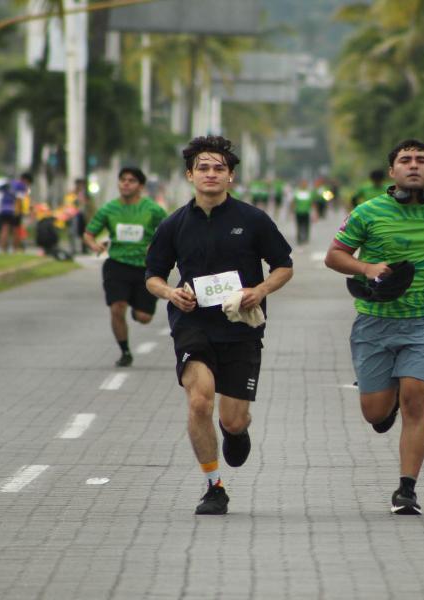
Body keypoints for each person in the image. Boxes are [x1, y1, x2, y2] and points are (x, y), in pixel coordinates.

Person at [145, 135, 293, 516]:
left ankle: (237, 430)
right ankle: (213, 486)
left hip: (242, 325)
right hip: (193, 323)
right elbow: (154, 275)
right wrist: (170, 293)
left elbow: (284, 266)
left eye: (219, 168)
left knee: (231, 416)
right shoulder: (174, 223)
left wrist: (259, 290)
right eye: (203, 168)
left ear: (230, 177)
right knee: (199, 400)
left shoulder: (253, 220)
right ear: (190, 175)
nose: (211, 174)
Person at [324, 139, 424, 515]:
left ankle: (406, 490)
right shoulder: (367, 213)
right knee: (375, 413)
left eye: (421, 160)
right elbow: (334, 256)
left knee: (416, 397)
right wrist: (367, 268)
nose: (414, 165)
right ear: (392, 171)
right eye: (405, 160)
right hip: (375, 323)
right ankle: (384, 408)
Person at [84, 167, 168, 367]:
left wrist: (156, 245)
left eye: (131, 180)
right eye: (122, 180)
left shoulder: (153, 209)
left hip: (145, 268)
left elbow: (169, 231)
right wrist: (94, 244)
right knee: (116, 308)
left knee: (144, 317)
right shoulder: (108, 209)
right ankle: (125, 351)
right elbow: (88, 233)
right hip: (117, 265)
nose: (126, 184)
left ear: (140, 186)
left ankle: (136, 305)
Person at [0, 172, 31, 253]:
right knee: (16, 230)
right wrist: (23, 211)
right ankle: (15, 249)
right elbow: (20, 199)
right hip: (15, 211)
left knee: (4, 229)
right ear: (25, 180)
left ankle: (3, 249)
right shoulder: (22, 186)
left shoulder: (9, 183)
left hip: (4, 209)